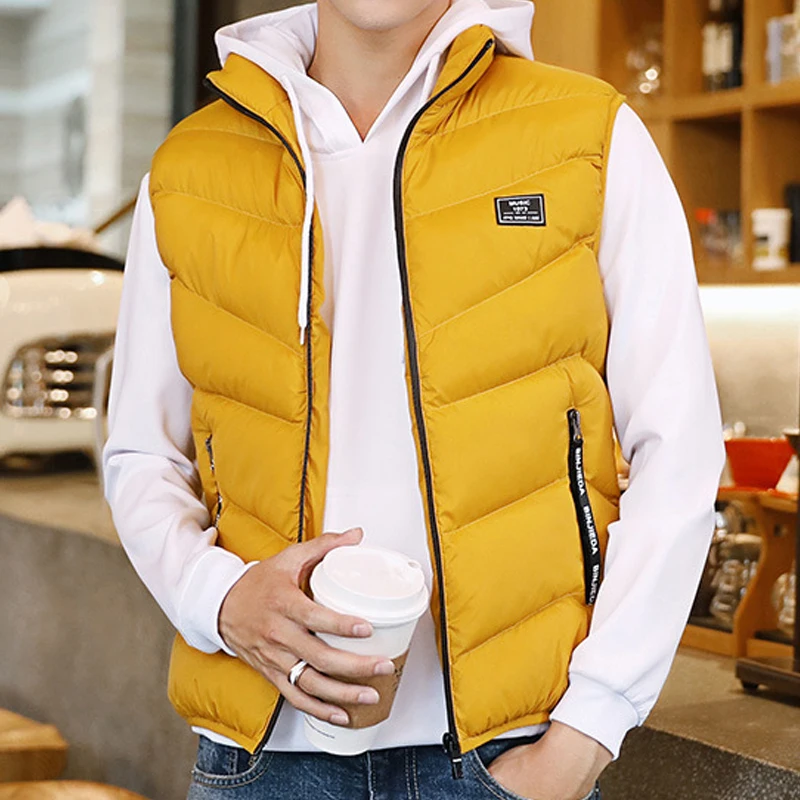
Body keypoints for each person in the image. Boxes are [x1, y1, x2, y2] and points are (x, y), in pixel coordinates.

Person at [103, 1, 725, 798]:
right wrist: (217, 598)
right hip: (261, 758)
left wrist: (584, 736)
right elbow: (142, 455)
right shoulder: (189, 168)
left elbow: (679, 449)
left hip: (513, 754)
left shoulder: (590, 136)